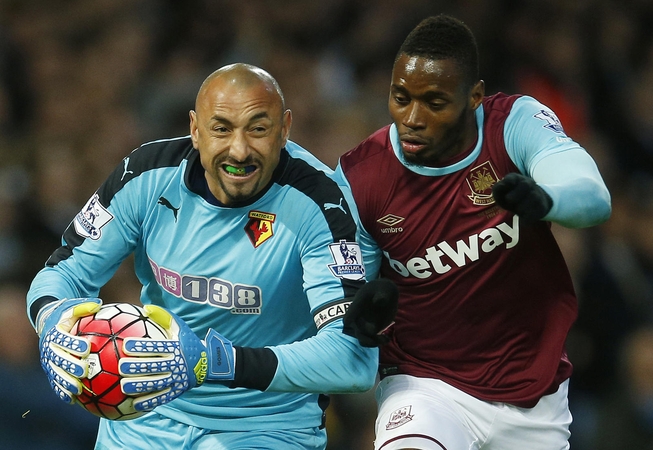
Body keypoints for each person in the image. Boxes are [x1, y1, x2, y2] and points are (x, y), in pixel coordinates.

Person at [27, 63, 397, 450]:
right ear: (195, 128)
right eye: (221, 128)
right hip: (146, 415)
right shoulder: (145, 176)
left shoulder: (321, 206)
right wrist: (54, 319)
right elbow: (64, 271)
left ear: (285, 128)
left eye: (258, 128)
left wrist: (214, 362)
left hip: (267, 427)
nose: (239, 150)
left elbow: (350, 362)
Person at [335, 14, 612, 450]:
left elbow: (594, 196)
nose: (412, 118)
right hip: (424, 386)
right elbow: (349, 292)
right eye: (400, 97)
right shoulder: (360, 178)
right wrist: (357, 318)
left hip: (533, 394)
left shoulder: (514, 123)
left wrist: (547, 200)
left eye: (434, 102)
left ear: (475, 97)